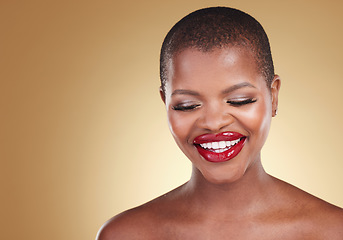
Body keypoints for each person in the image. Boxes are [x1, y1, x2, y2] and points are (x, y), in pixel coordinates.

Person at [97, 7, 343, 239]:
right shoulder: (125, 234)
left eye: (239, 100)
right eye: (187, 105)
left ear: (273, 96)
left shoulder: (333, 231)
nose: (214, 123)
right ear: (165, 102)